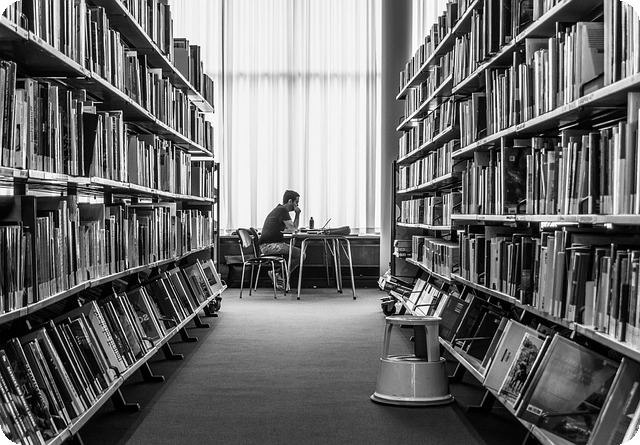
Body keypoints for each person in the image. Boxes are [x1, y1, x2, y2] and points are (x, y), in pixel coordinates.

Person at [259, 190, 304, 289]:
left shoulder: (279, 209)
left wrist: (296, 217)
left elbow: (292, 228)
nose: (297, 205)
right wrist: (298, 214)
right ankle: (278, 274)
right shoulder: (282, 210)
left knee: (295, 253)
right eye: (296, 202)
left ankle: (278, 273)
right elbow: (293, 228)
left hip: (267, 245)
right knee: (301, 254)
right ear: (290, 201)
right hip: (268, 246)